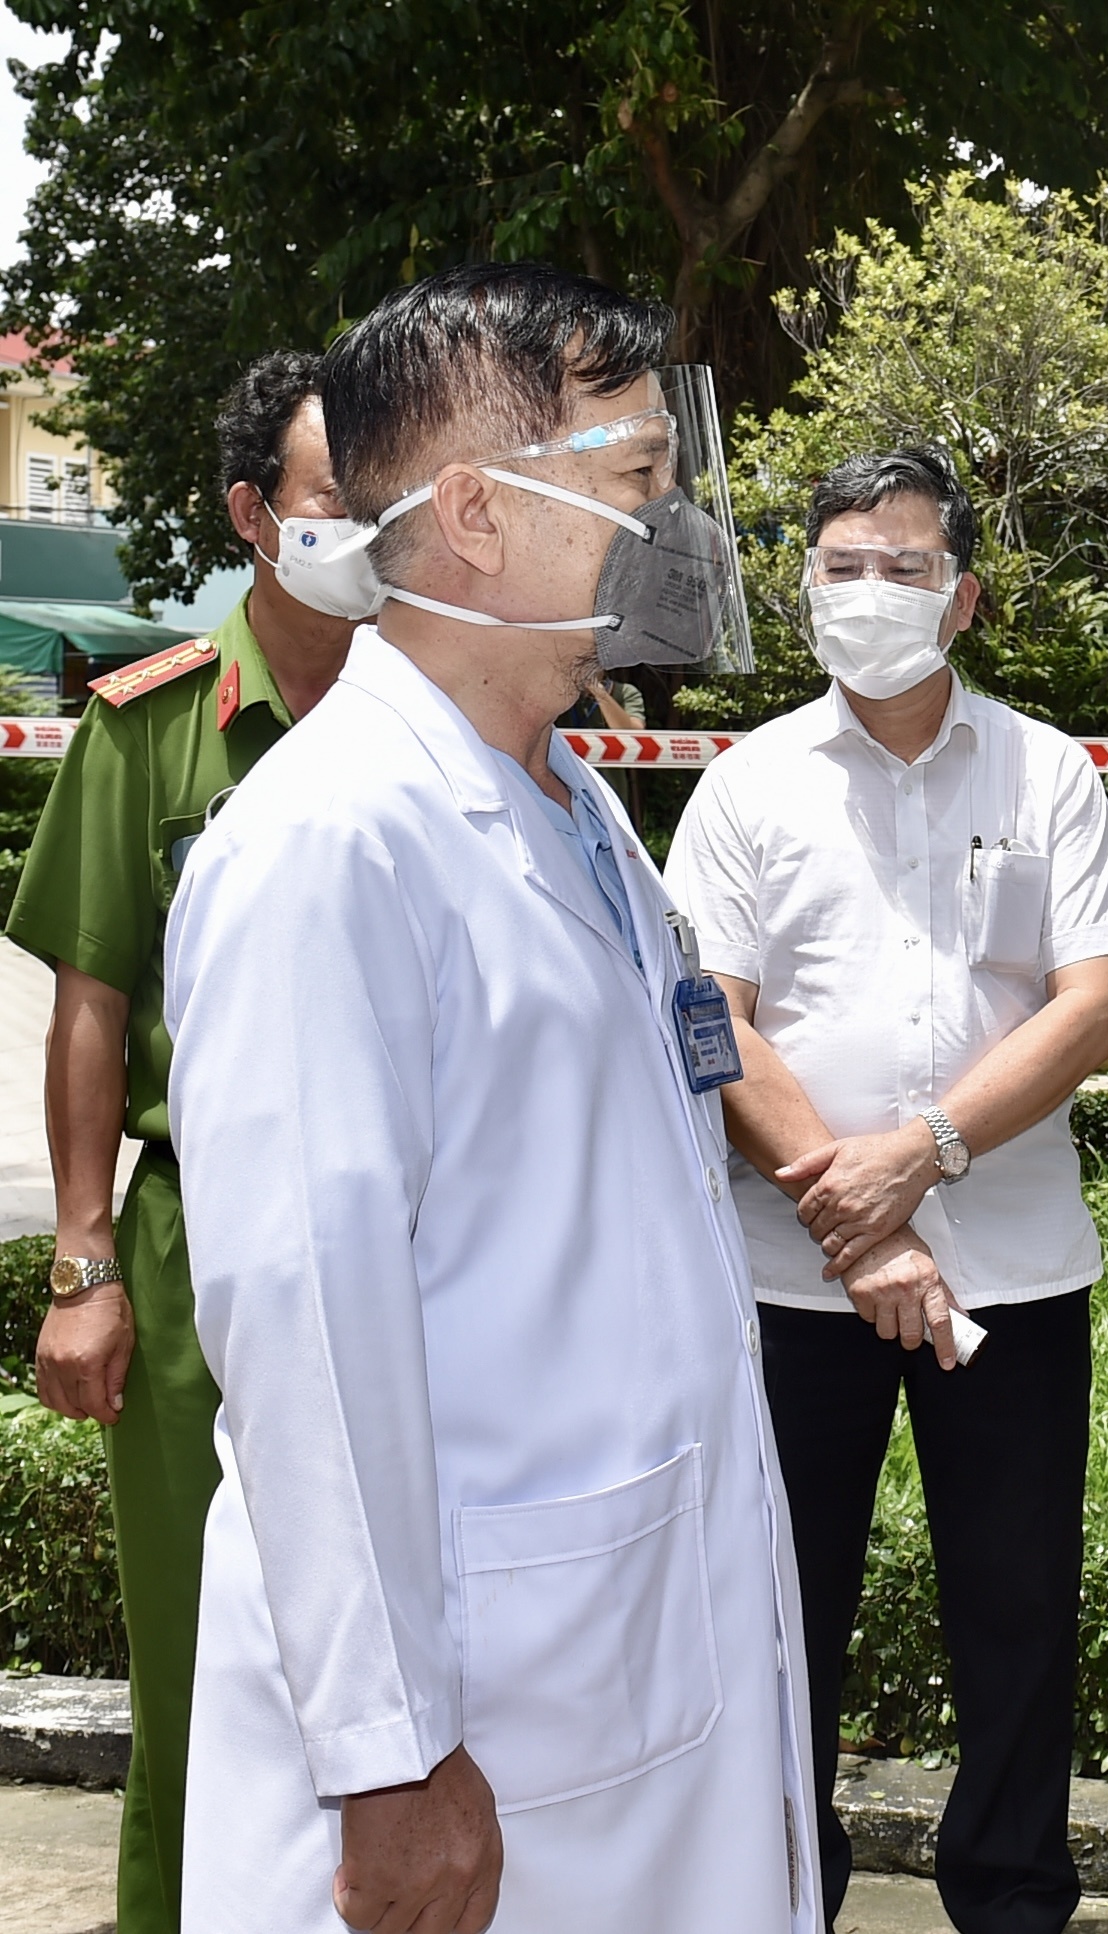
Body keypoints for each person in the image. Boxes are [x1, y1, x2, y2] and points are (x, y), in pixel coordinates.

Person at [163, 263, 818, 1933]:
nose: (669, 531)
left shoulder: (570, 806)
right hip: (479, 1743)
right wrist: (387, 1758)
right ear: (470, 513)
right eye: (627, 484)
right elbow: (306, 1323)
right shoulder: (329, 846)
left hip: (620, 1674)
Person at [664, 446, 1108, 1934]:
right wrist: (850, 1211)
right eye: (840, 565)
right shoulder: (746, 784)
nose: (868, 591)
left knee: (1015, 1613)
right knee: (782, 1613)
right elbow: (711, 1016)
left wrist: (918, 1156)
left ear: (964, 599)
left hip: (1009, 1267)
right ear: (800, 585)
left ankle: (1010, 1897)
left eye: (904, 565)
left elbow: (1087, 1010)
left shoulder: (1045, 769)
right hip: (790, 1279)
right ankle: (780, 1895)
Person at [8, 349, 362, 1933]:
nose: (372, 527)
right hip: (197, 1240)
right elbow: (92, 1007)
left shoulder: (450, 721)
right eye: (336, 498)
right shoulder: (152, 729)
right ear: (252, 512)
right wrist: (83, 1257)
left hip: (413, 1237)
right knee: (198, 1658)